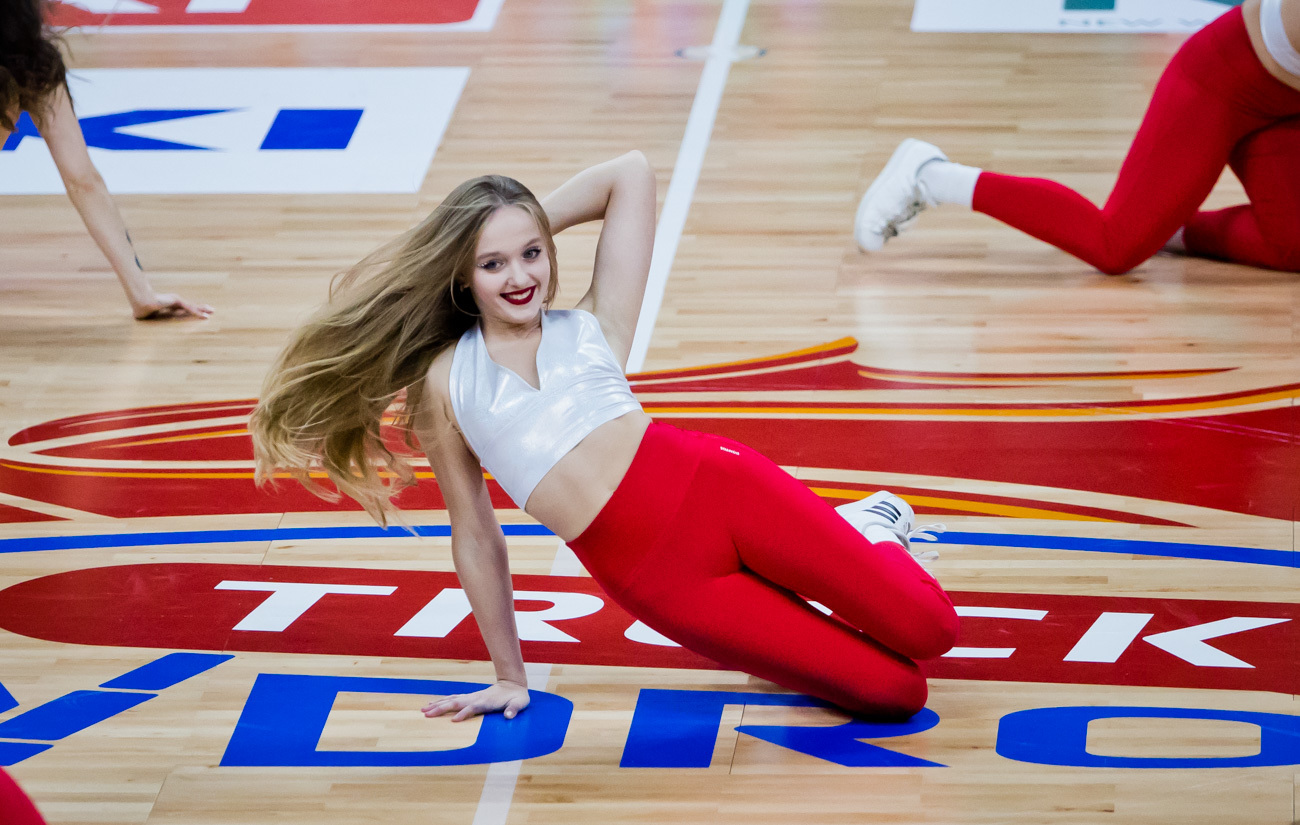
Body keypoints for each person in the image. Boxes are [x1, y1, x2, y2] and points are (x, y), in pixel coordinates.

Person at [250, 152, 960, 722]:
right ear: (462, 276)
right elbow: (475, 532)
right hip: (664, 582)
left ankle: (870, 528)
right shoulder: (444, 382)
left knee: (932, 629)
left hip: (724, 491)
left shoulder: (593, 325)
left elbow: (631, 173)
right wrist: (509, 674)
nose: (521, 276)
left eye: (532, 253)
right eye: (493, 264)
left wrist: (519, 219)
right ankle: (848, 547)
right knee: (896, 693)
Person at [854, 0, 1300, 275]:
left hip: (1285, 102)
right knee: (1115, 247)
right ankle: (930, 175)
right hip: (1218, 85)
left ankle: (1165, 226)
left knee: (1292, 246)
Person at [0, 0, 211, 319]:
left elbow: (83, 180)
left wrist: (143, 295)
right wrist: (142, 295)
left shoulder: (35, 67)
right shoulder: (34, 66)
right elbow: (82, 180)